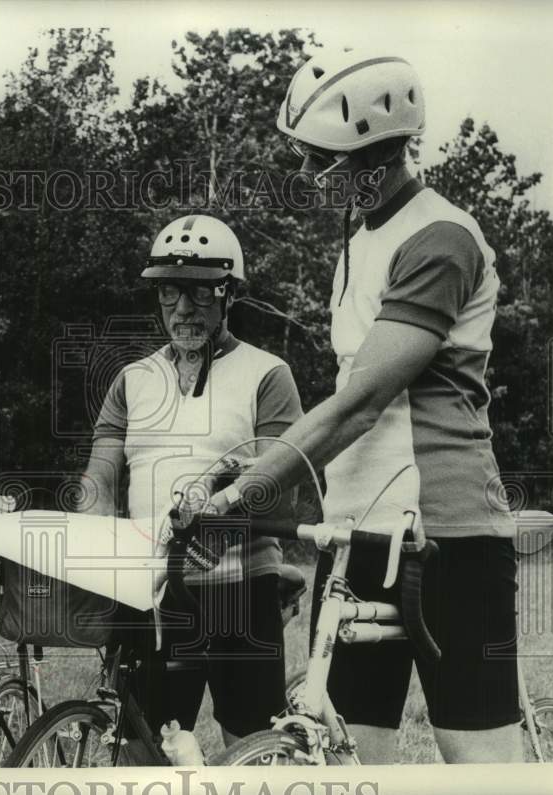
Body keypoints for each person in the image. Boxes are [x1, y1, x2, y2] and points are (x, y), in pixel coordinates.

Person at [193, 50, 520, 764]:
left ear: (376, 151)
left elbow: (362, 402)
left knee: (481, 764)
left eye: (321, 161)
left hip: (446, 534)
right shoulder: (360, 235)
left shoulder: (442, 237)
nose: (308, 177)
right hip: (360, 531)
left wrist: (252, 486)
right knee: (348, 760)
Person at [80, 214, 304, 748]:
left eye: (201, 294)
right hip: (153, 595)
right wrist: (94, 544)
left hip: (240, 593)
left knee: (252, 749)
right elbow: (99, 481)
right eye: (170, 293)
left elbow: (281, 497)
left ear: (229, 296)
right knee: (141, 749)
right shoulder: (132, 381)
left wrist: (221, 505)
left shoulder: (267, 374)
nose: (183, 309)